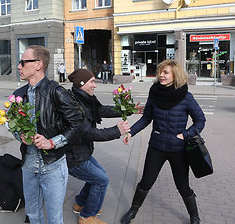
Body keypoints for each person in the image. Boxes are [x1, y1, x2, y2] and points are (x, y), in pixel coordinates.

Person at [121, 60, 206, 224]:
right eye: (160, 71)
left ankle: (195, 217)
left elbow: (200, 120)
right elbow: (146, 118)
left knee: (183, 186)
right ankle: (133, 210)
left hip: (178, 149)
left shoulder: (186, 97)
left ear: (175, 75)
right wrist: (131, 132)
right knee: (146, 182)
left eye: (166, 72)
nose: (161, 75)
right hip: (157, 146)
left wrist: (186, 134)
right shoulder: (154, 93)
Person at [12, 45, 83, 224]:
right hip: (29, 167)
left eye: (23, 62)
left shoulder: (56, 92)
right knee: (33, 214)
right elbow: (11, 125)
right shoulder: (18, 95)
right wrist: (19, 134)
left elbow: (77, 124)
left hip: (53, 166)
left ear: (38, 65)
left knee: (54, 218)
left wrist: (52, 142)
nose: (19, 66)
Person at [66, 69, 142, 224]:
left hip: (81, 151)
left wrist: (129, 110)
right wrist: (117, 131)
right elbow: (89, 133)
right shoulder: (74, 105)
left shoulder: (86, 98)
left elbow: (101, 110)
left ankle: (80, 204)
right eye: (92, 81)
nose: (95, 85)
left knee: (98, 175)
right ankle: (87, 216)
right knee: (101, 180)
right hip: (73, 156)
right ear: (81, 83)